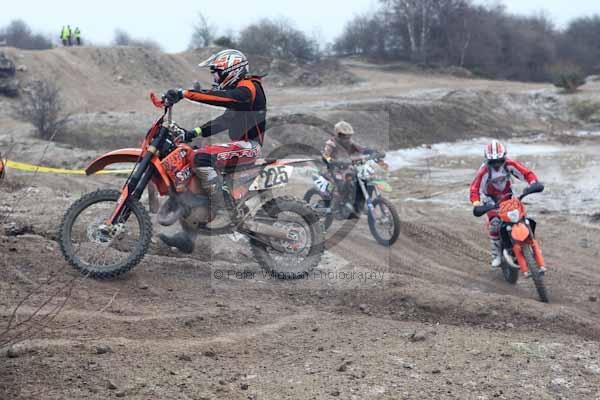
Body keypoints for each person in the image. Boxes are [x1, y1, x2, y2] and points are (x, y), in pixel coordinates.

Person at [159, 49, 267, 253]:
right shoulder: (240, 93)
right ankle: (188, 237)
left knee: (201, 157)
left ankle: (222, 207)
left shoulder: (249, 88)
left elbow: (223, 97)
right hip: (240, 147)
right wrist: (192, 133)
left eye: (217, 73)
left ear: (231, 71)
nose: (215, 78)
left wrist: (185, 93)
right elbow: (224, 121)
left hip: (249, 147)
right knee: (190, 161)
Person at [469, 140, 545, 273]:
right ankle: (496, 254)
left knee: (522, 216)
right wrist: (477, 204)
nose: (497, 164)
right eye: (493, 162)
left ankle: (530, 242)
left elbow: (526, 173)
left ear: (504, 157)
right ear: (488, 160)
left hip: (508, 194)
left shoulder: (510, 164)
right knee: (495, 223)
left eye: (499, 160)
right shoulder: (484, 171)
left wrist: (533, 183)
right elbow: (474, 189)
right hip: (490, 199)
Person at [321, 121, 370, 218]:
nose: (346, 138)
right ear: (338, 134)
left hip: (346, 169)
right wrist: (332, 161)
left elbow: (361, 149)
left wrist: (373, 152)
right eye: (344, 136)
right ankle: (334, 208)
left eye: (348, 136)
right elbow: (325, 156)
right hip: (333, 170)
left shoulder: (350, 143)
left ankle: (358, 203)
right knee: (341, 184)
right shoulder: (331, 144)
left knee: (360, 180)